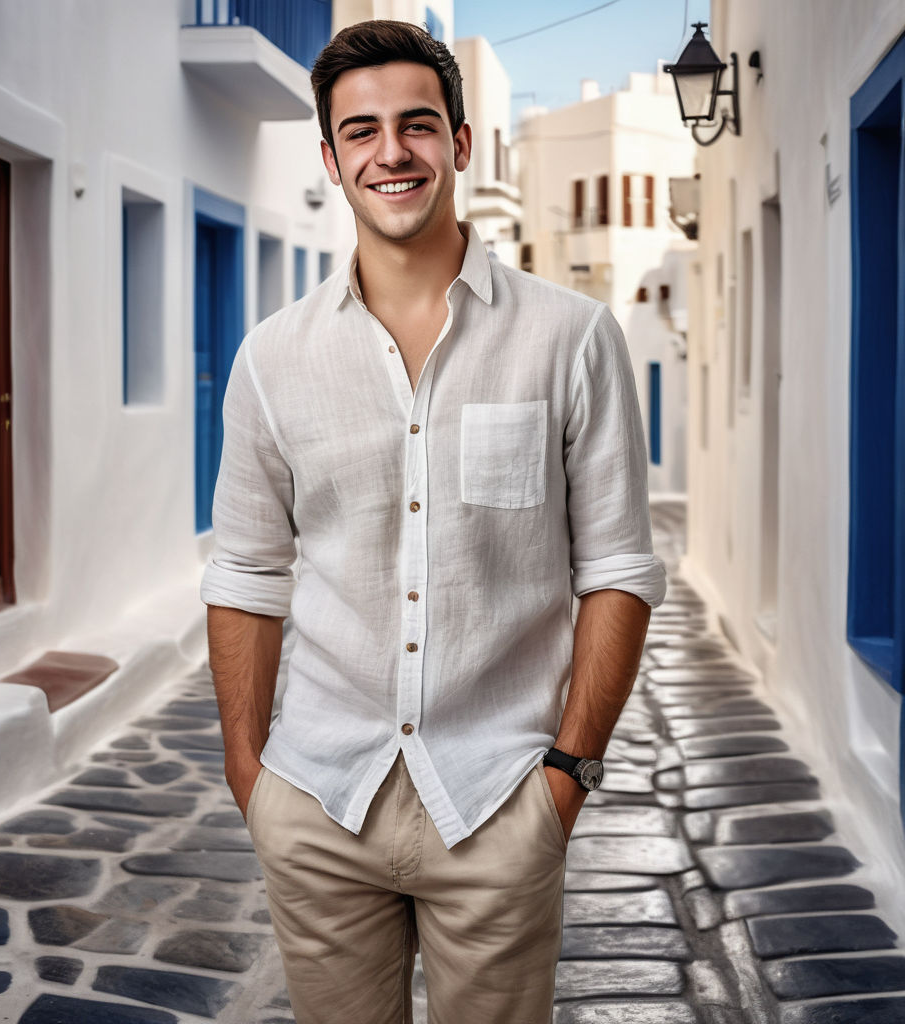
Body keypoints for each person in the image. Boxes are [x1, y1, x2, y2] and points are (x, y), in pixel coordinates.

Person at [201, 19, 666, 1024]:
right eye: (361, 131)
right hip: (319, 799)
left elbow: (620, 567)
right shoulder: (270, 360)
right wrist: (252, 778)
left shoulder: (570, 338)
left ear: (458, 141)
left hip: (501, 796)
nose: (391, 152)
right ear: (330, 159)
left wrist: (567, 778)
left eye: (417, 124)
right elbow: (244, 573)